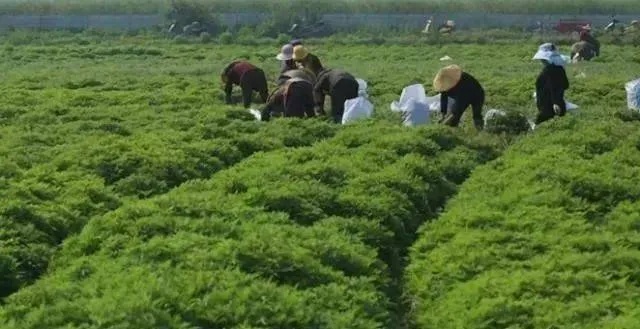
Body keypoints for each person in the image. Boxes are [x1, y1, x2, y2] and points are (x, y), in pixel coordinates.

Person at [432, 64, 485, 130]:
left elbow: (457, 108)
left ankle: (480, 130)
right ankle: (453, 131)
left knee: (476, 115)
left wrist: (446, 121)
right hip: (463, 95)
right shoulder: (445, 83)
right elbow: (444, 98)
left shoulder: (462, 83)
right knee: (453, 119)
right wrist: (443, 115)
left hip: (477, 94)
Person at [532, 43, 570, 125]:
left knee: (541, 125)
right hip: (558, 104)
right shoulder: (560, 69)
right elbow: (566, 85)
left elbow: (553, 87)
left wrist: (555, 102)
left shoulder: (549, 71)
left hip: (548, 106)